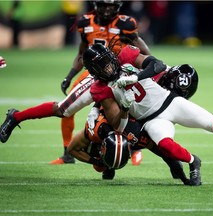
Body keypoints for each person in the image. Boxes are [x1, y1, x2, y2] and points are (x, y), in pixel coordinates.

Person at [82, 44, 213, 186]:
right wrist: (125, 108)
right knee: (165, 146)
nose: (109, 67)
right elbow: (119, 127)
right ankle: (193, 161)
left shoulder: (126, 57)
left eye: (108, 61)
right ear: (95, 71)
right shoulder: (101, 89)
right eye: (102, 66)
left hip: (169, 102)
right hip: (150, 120)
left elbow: (158, 65)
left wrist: (136, 76)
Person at [0, 44, 190, 179]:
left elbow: (152, 60)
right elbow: (108, 102)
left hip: (124, 87)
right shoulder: (97, 84)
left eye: (110, 61)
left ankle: (170, 161)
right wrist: (95, 106)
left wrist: (143, 74)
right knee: (62, 110)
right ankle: (16, 117)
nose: (110, 66)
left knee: (144, 127)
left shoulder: (126, 52)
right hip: (102, 88)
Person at [56, 0, 150, 165]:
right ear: (96, 5)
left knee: (129, 109)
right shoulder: (85, 22)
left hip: (118, 73)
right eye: (103, 5)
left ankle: (134, 148)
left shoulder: (124, 24)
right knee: (66, 108)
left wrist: (149, 67)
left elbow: (144, 50)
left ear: (117, 7)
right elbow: (82, 53)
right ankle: (67, 152)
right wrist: (69, 75)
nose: (107, 10)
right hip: (94, 73)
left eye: (111, 6)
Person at [67, 105, 191, 184]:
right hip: (111, 118)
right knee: (99, 167)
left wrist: (176, 166)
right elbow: (72, 149)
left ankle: (110, 164)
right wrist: (97, 162)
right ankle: (107, 166)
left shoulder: (137, 136)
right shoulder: (96, 129)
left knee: (166, 153)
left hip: (139, 112)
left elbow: (159, 150)